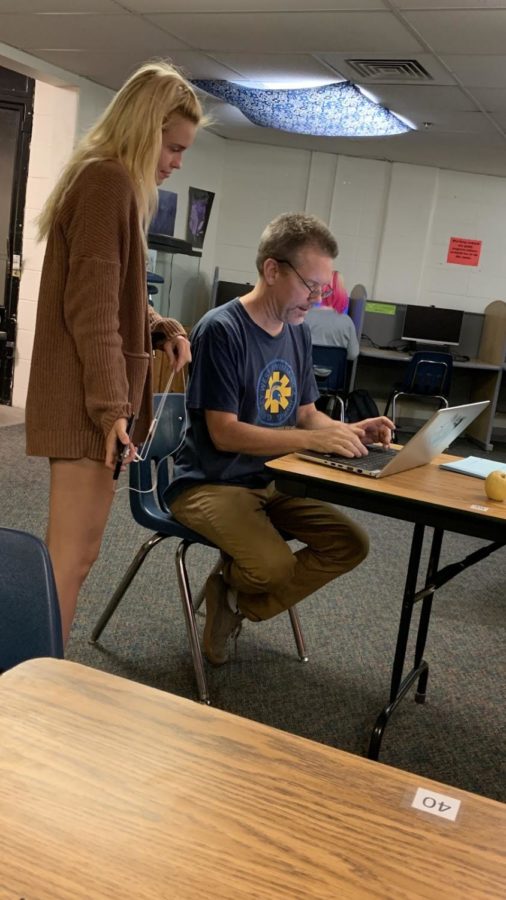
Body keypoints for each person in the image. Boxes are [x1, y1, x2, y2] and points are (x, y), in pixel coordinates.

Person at [25, 61, 204, 642]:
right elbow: (94, 313)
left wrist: (161, 328)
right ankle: (31, 690)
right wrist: (112, 411)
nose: (176, 162)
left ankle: (36, 680)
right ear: (143, 126)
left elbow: (115, 296)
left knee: (74, 557)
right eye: (173, 146)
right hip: (87, 404)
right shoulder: (107, 184)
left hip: (92, 401)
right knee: (66, 562)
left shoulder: (108, 182)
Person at [167, 213, 393, 666]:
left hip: (271, 480)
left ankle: (231, 597)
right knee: (273, 568)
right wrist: (311, 443)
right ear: (272, 271)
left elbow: (307, 415)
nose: (318, 299)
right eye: (311, 286)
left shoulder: (297, 331)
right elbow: (223, 433)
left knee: (350, 543)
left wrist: (348, 431)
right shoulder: (222, 329)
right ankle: (237, 591)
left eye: (323, 289)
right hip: (210, 483)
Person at [304, 270, 359, 360]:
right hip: (335, 373)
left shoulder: (303, 318)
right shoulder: (347, 322)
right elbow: (353, 355)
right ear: (341, 292)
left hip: (304, 372)